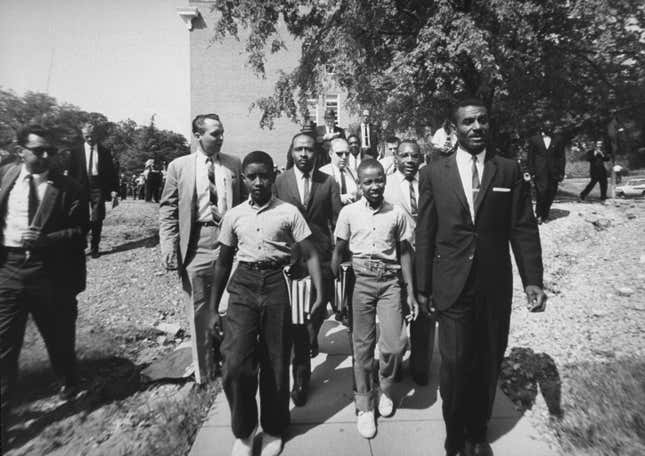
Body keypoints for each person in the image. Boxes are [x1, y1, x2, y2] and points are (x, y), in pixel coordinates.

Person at [415, 98, 546, 456]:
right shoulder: (433, 172)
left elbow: (522, 227)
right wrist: (422, 286)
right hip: (451, 285)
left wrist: (532, 279)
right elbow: (424, 232)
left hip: (493, 285)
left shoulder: (507, 170)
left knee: (488, 362)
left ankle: (477, 431)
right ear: (454, 128)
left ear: (490, 124)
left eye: (482, 121)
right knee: (455, 366)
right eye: (468, 122)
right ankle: (454, 435)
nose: (476, 128)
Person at [210, 151, 323, 456]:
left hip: (277, 284)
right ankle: (244, 431)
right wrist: (212, 309)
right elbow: (222, 263)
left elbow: (310, 253)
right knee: (235, 363)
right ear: (243, 178)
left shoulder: (289, 212)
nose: (258, 182)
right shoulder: (233, 215)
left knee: (275, 360)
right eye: (252, 176)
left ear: (273, 176)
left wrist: (320, 295)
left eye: (264, 175)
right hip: (244, 284)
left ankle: (274, 428)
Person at [0, 125, 88, 444]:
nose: (46, 156)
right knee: (4, 347)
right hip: (8, 270)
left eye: (50, 150)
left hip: (49, 275)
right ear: (20, 149)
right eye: (39, 151)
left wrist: (47, 240)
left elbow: (80, 232)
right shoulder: (6, 177)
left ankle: (67, 379)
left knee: (59, 338)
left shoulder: (69, 188)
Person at [331, 159, 418, 440]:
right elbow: (339, 251)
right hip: (360, 281)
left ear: (385, 179)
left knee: (395, 345)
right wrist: (337, 293)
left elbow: (405, 252)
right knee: (362, 347)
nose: (374, 186)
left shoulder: (396, 213)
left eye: (378, 180)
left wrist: (411, 291)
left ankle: (384, 386)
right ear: (359, 183)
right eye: (367, 181)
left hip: (390, 281)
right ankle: (365, 405)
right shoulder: (349, 213)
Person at [159, 113, 243, 384]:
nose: (220, 138)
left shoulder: (233, 165)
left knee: (231, 305)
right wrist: (168, 245)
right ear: (198, 135)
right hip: (196, 242)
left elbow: (241, 206)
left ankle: (230, 363)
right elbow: (168, 209)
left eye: (221, 133)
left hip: (229, 242)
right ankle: (205, 373)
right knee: (198, 307)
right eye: (214, 134)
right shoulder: (179, 167)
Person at [274, 132, 342, 406]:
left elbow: (339, 221)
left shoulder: (328, 182)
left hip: (321, 258)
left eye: (309, 150)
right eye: (299, 149)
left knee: (317, 308)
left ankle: (312, 338)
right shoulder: (280, 181)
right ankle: (301, 377)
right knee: (296, 321)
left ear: (317, 153)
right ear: (291, 152)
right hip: (290, 261)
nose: (304, 154)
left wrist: (339, 254)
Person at [383, 139, 434, 386]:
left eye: (415, 155)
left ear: (421, 158)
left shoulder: (430, 181)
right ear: (396, 159)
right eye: (404, 155)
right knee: (398, 310)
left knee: (425, 311)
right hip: (396, 257)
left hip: (427, 256)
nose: (410, 160)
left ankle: (421, 365)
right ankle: (398, 360)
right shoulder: (386, 185)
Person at [68, 122, 119, 258]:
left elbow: (111, 173)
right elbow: (71, 173)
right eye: (87, 136)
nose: (90, 139)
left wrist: (114, 189)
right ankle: (81, 244)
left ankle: (95, 246)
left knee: (97, 218)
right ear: (83, 136)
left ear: (97, 135)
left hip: (98, 187)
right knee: (81, 217)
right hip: (81, 187)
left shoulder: (104, 152)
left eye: (92, 136)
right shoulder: (75, 152)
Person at [527, 120, 566, 224]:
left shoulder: (558, 139)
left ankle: (545, 213)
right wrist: (531, 171)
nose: (549, 129)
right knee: (541, 192)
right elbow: (530, 157)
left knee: (551, 193)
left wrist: (561, 172)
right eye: (546, 127)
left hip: (554, 171)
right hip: (539, 171)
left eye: (551, 127)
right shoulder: (534, 139)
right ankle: (539, 214)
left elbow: (561, 157)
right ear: (542, 128)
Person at [320, 137, 359, 206]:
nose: (344, 157)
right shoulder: (323, 172)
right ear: (331, 154)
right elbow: (319, 199)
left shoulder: (353, 172)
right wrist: (339, 198)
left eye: (347, 154)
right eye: (339, 153)